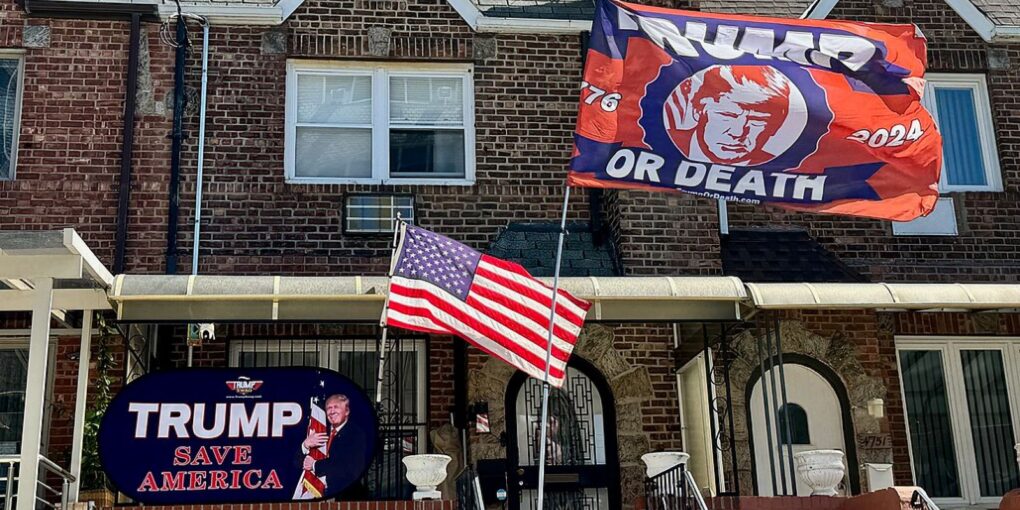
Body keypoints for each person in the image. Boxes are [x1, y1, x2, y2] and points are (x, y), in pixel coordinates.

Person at [667, 65, 793, 167]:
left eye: (757, 120)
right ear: (697, 111)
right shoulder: (662, 146)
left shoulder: (783, 167)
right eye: (727, 115)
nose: (738, 133)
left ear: (775, 127)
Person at [298, 393, 368, 496]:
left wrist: (314, 465)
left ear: (347, 411)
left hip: (344, 495)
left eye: (336, 407)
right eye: (329, 408)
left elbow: (347, 466)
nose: (332, 411)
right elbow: (295, 462)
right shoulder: (319, 430)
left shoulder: (355, 434)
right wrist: (305, 445)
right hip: (314, 495)